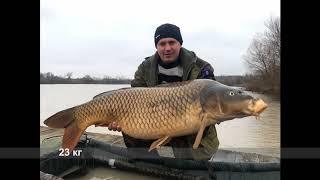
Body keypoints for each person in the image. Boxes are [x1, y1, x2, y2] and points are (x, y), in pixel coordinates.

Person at [108, 23, 219, 160]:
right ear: (156, 46)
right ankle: (146, 162)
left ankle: (190, 160)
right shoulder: (145, 68)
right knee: (131, 128)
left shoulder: (201, 68)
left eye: (172, 42)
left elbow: (215, 105)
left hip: (190, 125)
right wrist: (117, 119)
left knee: (191, 164)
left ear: (180, 44)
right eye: (162, 44)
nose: (167, 48)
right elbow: (134, 101)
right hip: (153, 121)